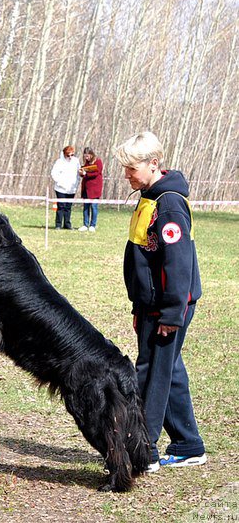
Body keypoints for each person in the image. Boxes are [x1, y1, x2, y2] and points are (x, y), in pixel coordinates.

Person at [115, 131, 206, 474]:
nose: (126, 174)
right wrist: (141, 304)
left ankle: (144, 448)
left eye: (131, 168)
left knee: (151, 372)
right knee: (169, 370)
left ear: (153, 164)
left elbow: (178, 263)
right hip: (151, 305)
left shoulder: (168, 202)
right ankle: (187, 444)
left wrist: (170, 314)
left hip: (168, 306)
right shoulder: (148, 196)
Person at [50, 146, 80, 229]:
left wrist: (76, 183)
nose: (70, 157)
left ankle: (67, 224)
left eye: (72, 155)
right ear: (64, 154)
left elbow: (78, 173)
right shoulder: (59, 162)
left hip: (71, 189)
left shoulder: (76, 161)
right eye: (68, 155)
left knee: (68, 207)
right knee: (61, 206)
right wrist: (59, 182)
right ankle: (58, 224)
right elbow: (53, 173)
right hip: (61, 188)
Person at [78, 147, 103, 232]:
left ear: (91, 155)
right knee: (86, 207)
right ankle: (85, 224)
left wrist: (86, 174)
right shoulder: (86, 163)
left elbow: (97, 172)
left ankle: (92, 225)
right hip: (86, 188)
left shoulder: (98, 162)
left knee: (93, 207)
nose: (86, 158)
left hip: (95, 189)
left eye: (88, 156)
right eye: (85, 156)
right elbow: (84, 174)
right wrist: (81, 173)